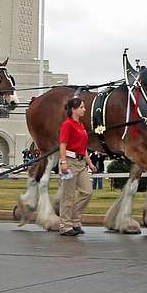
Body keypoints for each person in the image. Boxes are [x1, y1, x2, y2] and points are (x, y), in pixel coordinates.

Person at [58, 97, 94, 236]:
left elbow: (83, 147)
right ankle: (65, 226)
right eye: (81, 107)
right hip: (70, 163)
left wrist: (89, 163)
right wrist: (63, 162)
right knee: (68, 196)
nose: (84, 109)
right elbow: (63, 144)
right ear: (73, 109)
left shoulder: (81, 125)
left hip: (81, 163)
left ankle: (74, 219)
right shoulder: (67, 124)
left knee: (87, 192)